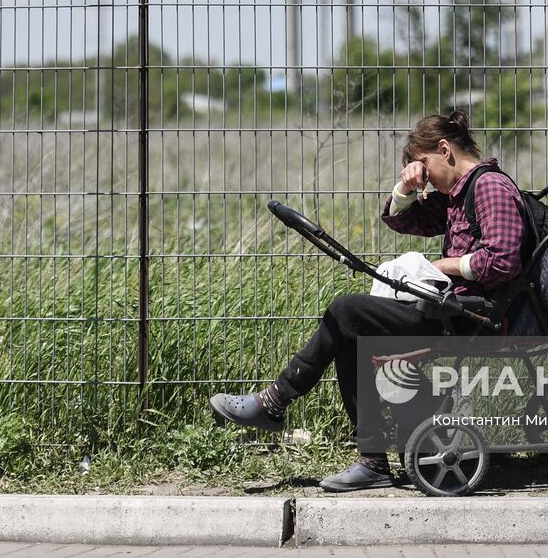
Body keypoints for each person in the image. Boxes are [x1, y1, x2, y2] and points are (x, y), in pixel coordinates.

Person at [209, 110, 530, 491]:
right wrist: (407, 189)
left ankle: (274, 402)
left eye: (424, 165)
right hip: (448, 310)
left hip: (471, 319)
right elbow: (402, 220)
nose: (424, 177)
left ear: (444, 150)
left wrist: (443, 265)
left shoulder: (490, 188)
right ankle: (373, 462)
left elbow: (504, 260)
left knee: (346, 309)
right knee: (351, 334)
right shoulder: (456, 195)